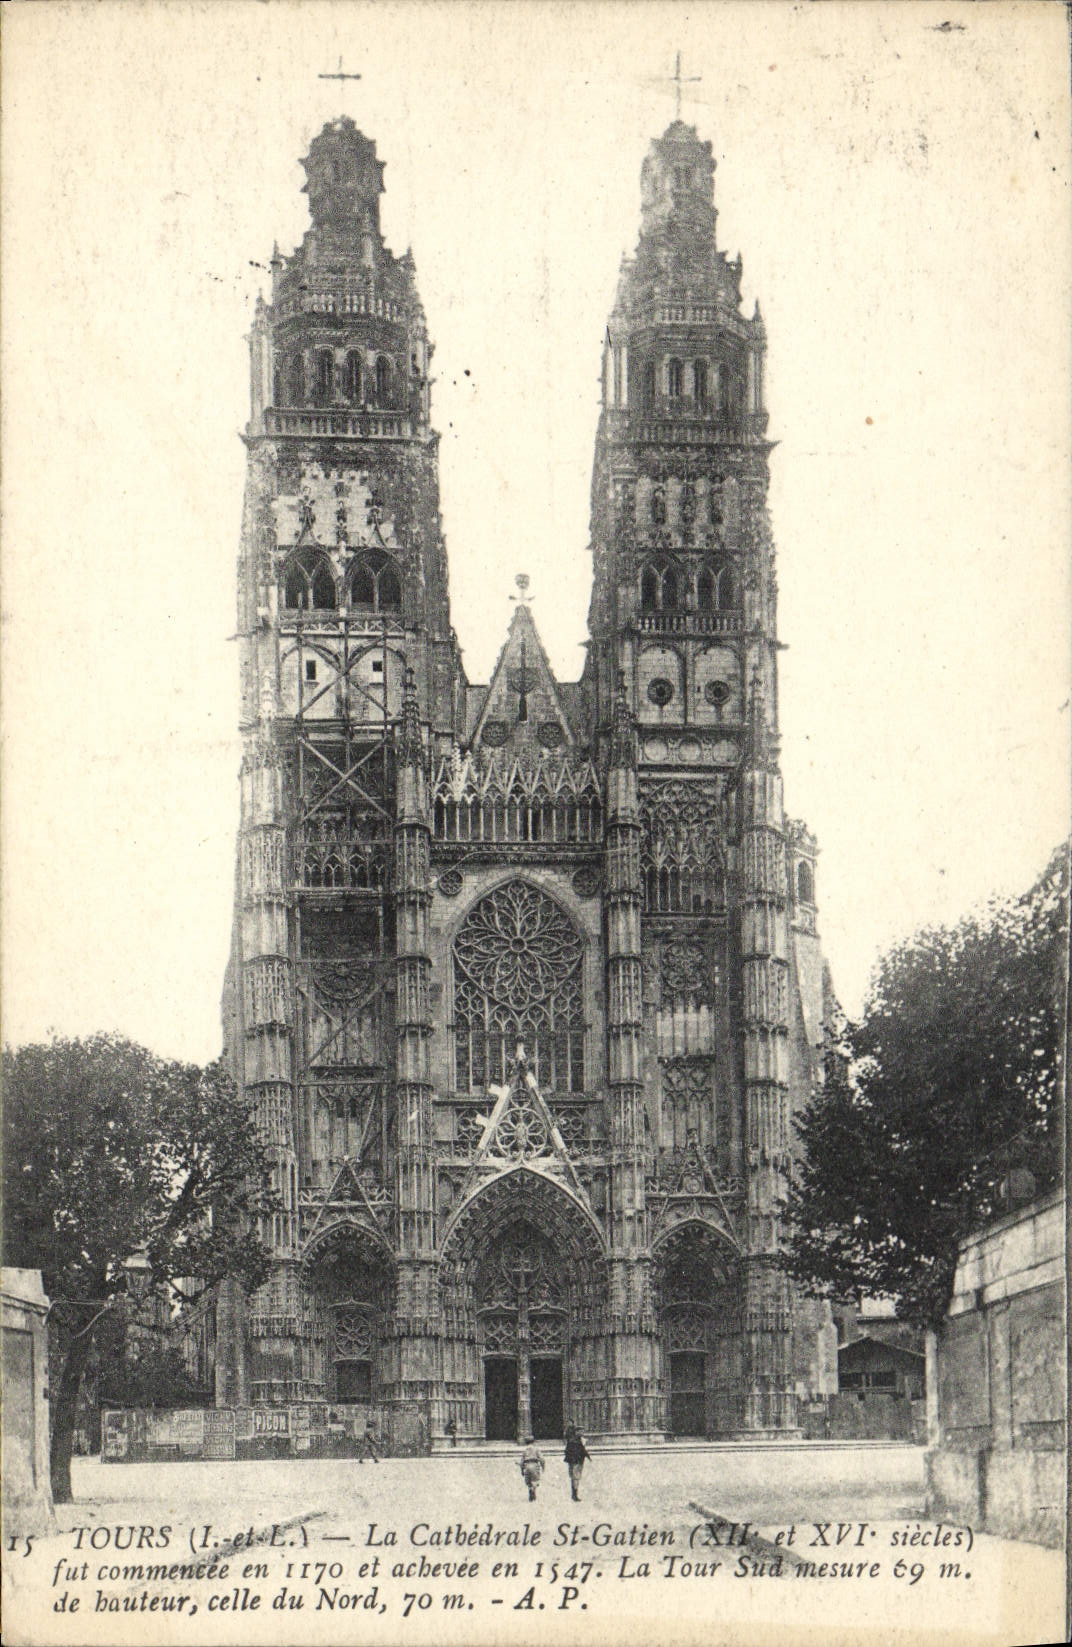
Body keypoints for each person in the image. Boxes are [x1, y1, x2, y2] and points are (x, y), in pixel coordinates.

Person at [563, 1425, 591, 1502]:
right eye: (581, 1431)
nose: (583, 1433)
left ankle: (574, 1494)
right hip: (577, 1462)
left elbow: (566, 1451)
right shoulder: (578, 1441)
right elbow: (582, 1451)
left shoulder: (571, 1440)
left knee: (573, 1478)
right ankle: (575, 1495)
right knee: (576, 1478)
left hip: (571, 1462)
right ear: (577, 1432)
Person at [519, 1435, 544, 1501]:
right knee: (535, 1480)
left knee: (528, 1480)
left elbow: (522, 1462)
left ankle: (530, 1489)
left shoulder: (525, 1450)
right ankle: (533, 1489)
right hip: (534, 1465)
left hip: (527, 1465)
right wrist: (543, 1467)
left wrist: (522, 1470)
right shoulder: (536, 1449)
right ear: (533, 1442)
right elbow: (542, 1459)